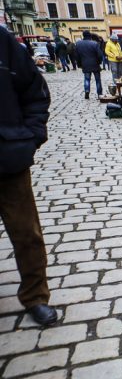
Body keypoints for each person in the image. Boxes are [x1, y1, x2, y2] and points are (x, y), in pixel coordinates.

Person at [0, 26, 57, 326]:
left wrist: (29, 137)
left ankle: (35, 296)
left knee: (26, 234)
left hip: (7, 157)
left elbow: (35, 91)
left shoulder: (2, 41)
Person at [75, 31, 103, 99]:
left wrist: (79, 64)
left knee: (87, 79)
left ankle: (87, 91)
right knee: (98, 80)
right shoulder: (94, 43)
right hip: (95, 64)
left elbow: (77, 56)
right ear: (90, 36)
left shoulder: (78, 44)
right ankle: (99, 93)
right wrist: (99, 62)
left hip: (85, 64)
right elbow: (100, 55)